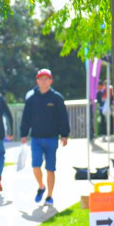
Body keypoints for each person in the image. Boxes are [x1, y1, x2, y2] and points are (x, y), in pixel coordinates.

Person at [20, 69, 70, 206]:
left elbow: (63, 118)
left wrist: (64, 135)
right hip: (36, 138)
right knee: (35, 165)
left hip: (51, 138)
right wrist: (23, 134)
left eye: (46, 79)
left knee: (50, 168)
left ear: (51, 81)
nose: (43, 81)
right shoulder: (31, 98)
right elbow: (26, 118)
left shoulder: (57, 98)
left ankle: (49, 196)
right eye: (41, 78)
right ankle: (41, 187)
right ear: (37, 81)